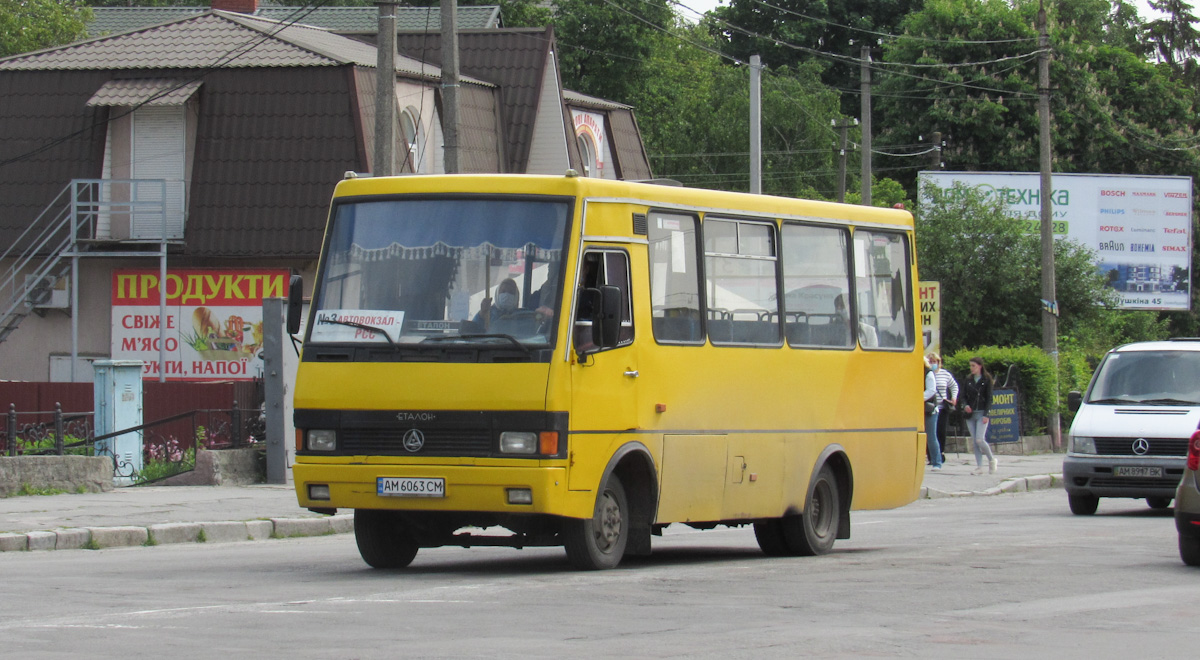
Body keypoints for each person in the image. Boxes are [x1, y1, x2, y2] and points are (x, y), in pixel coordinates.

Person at [961, 356, 997, 475]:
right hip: (971, 414)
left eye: (974, 366)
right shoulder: (968, 380)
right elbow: (963, 396)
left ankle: (992, 460)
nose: (971, 368)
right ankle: (979, 466)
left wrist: (987, 414)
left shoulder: (986, 380)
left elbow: (989, 398)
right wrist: (965, 405)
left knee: (979, 439)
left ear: (980, 366)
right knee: (974, 441)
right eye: (970, 366)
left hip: (981, 412)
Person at [928, 353, 959, 462]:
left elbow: (954, 385)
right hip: (930, 407)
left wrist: (954, 397)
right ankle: (931, 454)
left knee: (941, 430)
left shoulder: (945, 374)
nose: (932, 364)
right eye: (930, 361)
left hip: (943, 407)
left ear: (938, 362)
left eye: (934, 361)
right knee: (931, 431)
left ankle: (941, 452)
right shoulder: (926, 374)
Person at [924, 357, 942, 470]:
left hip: (930, 410)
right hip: (919, 408)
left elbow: (931, 390)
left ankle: (937, 462)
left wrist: (917, 397)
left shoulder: (928, 374)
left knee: (931, 436)